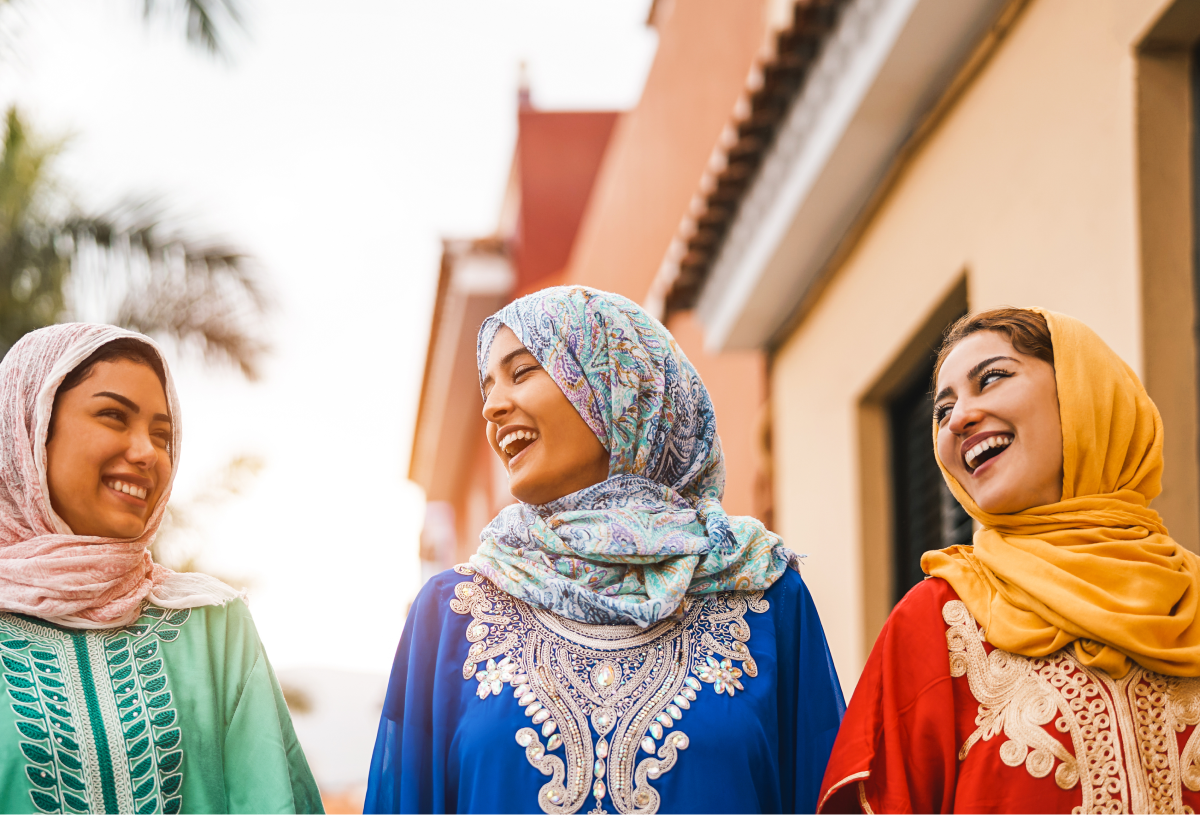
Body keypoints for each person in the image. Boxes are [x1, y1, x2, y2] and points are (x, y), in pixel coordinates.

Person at [365, 285, 844, 815]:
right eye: (488, 388)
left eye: (522, 371)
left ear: (618, 386)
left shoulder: (763, 592)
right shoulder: (450, 611)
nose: (494, 407)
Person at [817, 307, 1200, 814]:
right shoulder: (938, 623)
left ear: (1084, 393)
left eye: (992, 378)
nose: (958, 419)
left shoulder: (1191, 597)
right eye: (942, 410)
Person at [0, 323, 323, 814]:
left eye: (162, 434)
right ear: (31, 429)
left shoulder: (214, 626)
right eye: (113, 416)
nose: (147, 452)